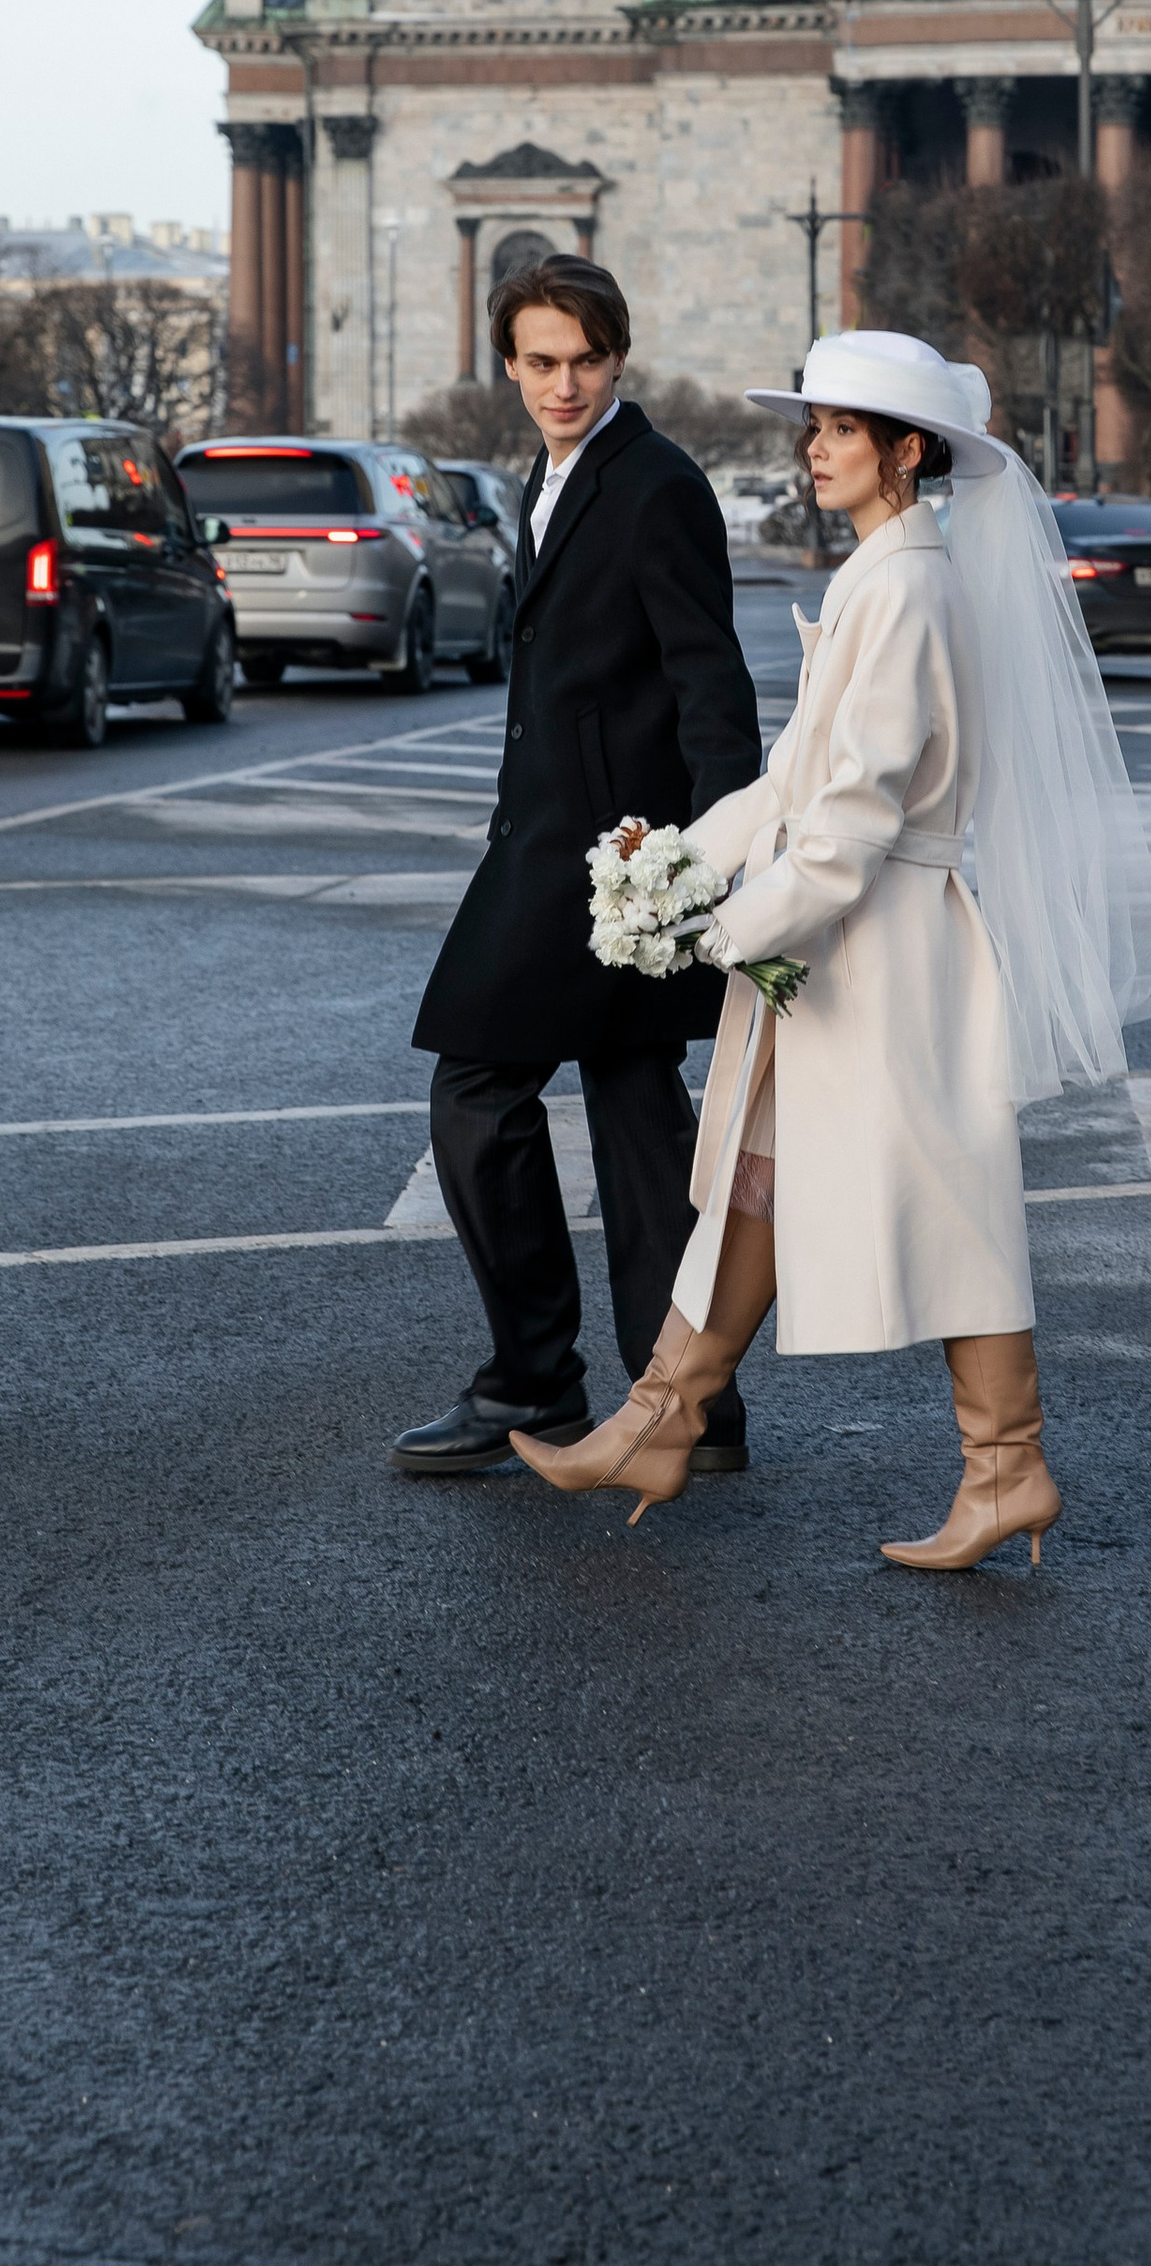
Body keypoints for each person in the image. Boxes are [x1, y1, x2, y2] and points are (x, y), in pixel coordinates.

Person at [515, 329, 1151, 1568]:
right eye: (812, 430)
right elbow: (787, 786)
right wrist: (670, 867)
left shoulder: (908, 586)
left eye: (838, 432)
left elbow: (857, 819)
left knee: (947, 1201)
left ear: (906, 451)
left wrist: (723, 933)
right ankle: (663, 1418)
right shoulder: (886, 574)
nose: (813, 452)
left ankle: (1006, 1466)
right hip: (844, 951)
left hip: (886, 954)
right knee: (760, 1179)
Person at [392, 255, 763, 1476]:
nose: (563, 382)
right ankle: (689, 1402)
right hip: (561, 842)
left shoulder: (654, 484)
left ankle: (533, 1380)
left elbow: (711, 683)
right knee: (633, 1103)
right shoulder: (542, 479)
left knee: (476, 1086)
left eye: (585, 360)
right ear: (509, 363)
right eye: (541, 361)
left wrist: (711, 859)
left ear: (618, 358)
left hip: (615, 860)